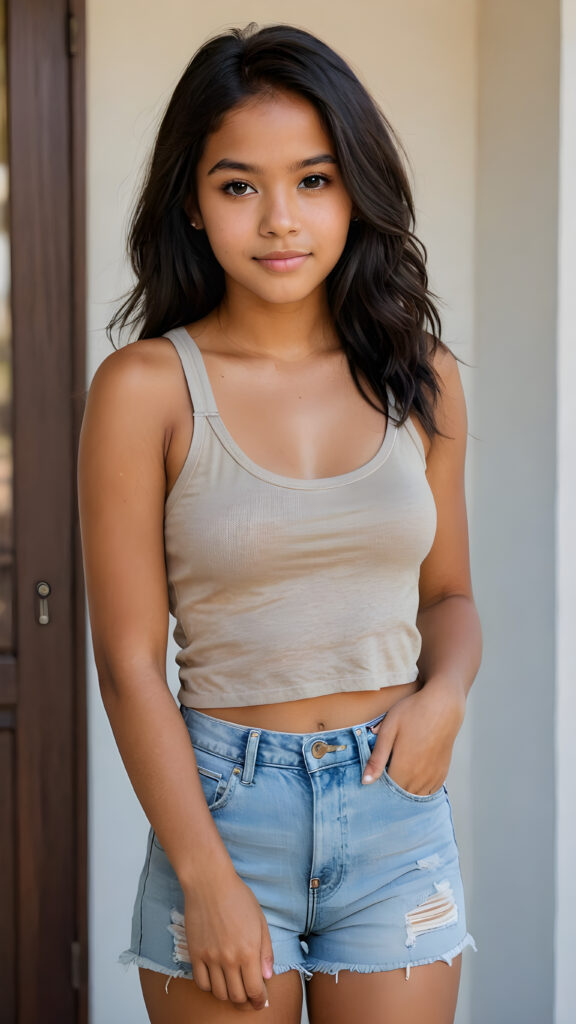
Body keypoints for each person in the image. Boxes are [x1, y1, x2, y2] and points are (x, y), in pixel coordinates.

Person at [78, 22, 482, 1024]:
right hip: (221, 812)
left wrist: (447, 696)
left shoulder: (421, 377)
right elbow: (130, 662)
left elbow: (451, 595)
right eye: (237, 185)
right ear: (192, 201)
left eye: (312, 179)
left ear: (355, 190)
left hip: (397, 814)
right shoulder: (145, 388)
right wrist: (203, 873)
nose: (278, 220)